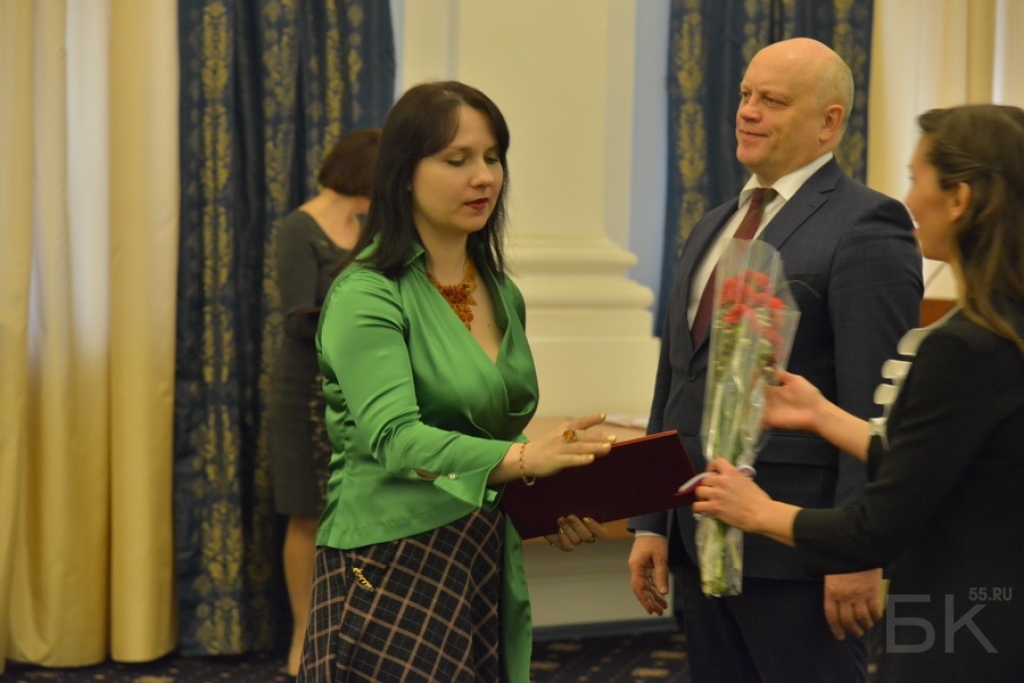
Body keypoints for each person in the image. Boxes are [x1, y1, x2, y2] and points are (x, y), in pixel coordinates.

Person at [693, 103, 1024, 682]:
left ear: (959, 199)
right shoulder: (1005, 326)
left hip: (961, 625)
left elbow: (876, 527)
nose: (909, 199)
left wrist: (758, 511)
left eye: (917, 179)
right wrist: (824, 416)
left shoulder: (964, 347)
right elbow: (947, 463)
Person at [628, 37, 923, 683]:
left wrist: (858, 548)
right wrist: (651, 520)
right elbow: (675, 379)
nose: (748, 111)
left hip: (799, 547)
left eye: (773, 100)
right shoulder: (714, 222)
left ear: (829, 121)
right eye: (745, 95)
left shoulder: (867, 224)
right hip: (697, 525)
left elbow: (873, 403)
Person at [298, 81, 613, 683]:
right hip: (388, 555)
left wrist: (550, 499)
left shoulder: (501, 290)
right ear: (403, 175)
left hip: (480, 548)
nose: (484, 177)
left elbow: (488, 437)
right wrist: (526, 458)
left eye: (493, 158)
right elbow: (396, 440)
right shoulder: (367, 294)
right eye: (457, 159)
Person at [266, 128, 381, 676]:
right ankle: (302, 636)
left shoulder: (365, 228)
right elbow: (296, 320)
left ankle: (347, 637)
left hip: (354, 390)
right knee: (307, 514)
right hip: (303, 393)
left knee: (354, 512)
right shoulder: (297, 228)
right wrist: (364, 325)